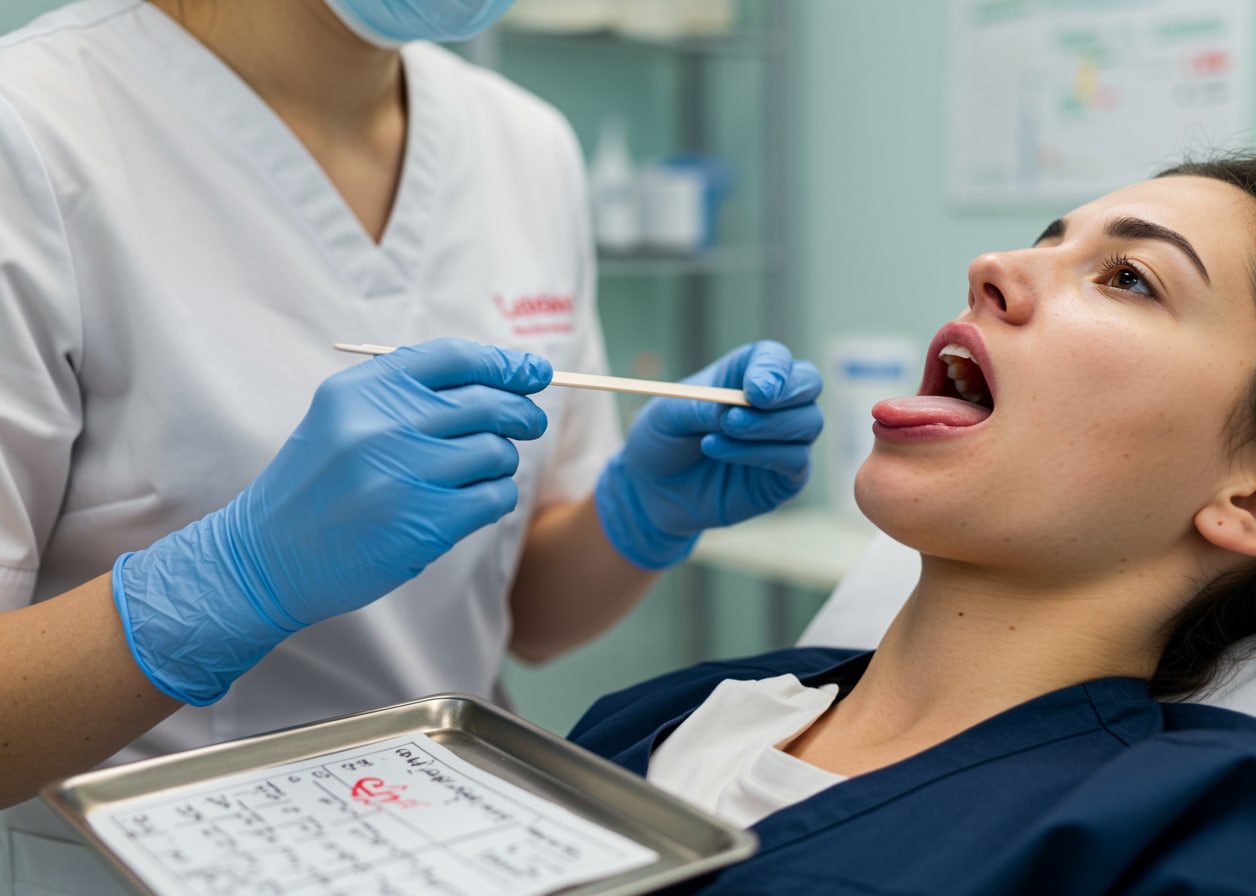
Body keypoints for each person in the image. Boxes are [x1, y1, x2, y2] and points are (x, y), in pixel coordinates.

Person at [0, 0, 821, 767]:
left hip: (461, 831)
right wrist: (230, 583)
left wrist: (635, 515)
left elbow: (526, 618)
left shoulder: (523, 142)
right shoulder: (34, 128)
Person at [567, 153, 1256, 894]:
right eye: (1045, 241)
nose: (991, 265)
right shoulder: (674, 710)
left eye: (1128, 277)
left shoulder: (1203, 827)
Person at [0, 337, 553, 809]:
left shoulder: (535, 207)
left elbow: (536, 624)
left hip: (459, 818)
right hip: (160, 834)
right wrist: (234, 575)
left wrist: (629, 514)